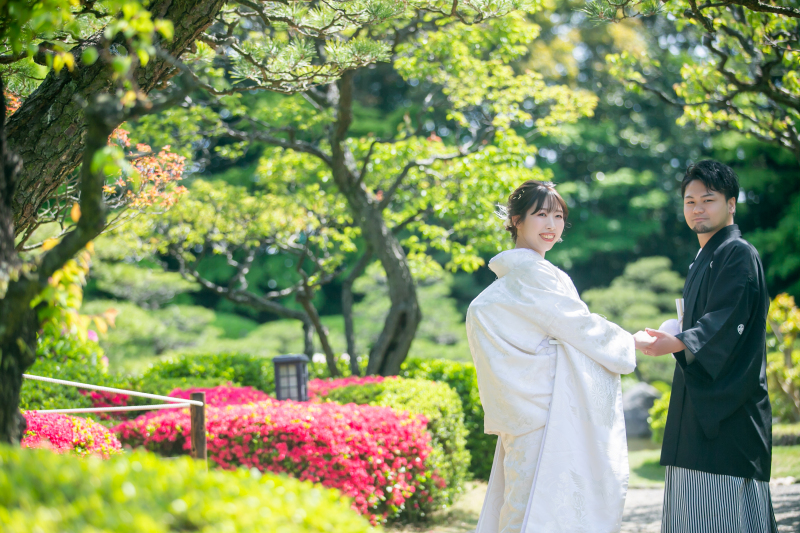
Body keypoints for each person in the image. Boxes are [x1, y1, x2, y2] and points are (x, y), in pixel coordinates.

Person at [466, 180, 653, 533]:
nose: (552, 225)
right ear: (516, 220)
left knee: (521, 505)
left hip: (522, 413)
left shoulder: (510, 281)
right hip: (545, 414)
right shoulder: (533, 273)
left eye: (558, 215)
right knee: (540, 510)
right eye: (540, 215)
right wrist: (629, 342)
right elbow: (577, 327)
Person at [640, 160, 776, 532]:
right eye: (689, 201)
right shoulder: (705, 258)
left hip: (729, 411)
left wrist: (681, 341)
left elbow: (723, 321)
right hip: (697, 408)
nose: (697, 208)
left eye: (708, 199)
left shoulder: (737, 252)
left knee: (723, 516)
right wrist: (678, 339)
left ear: (731, 204)